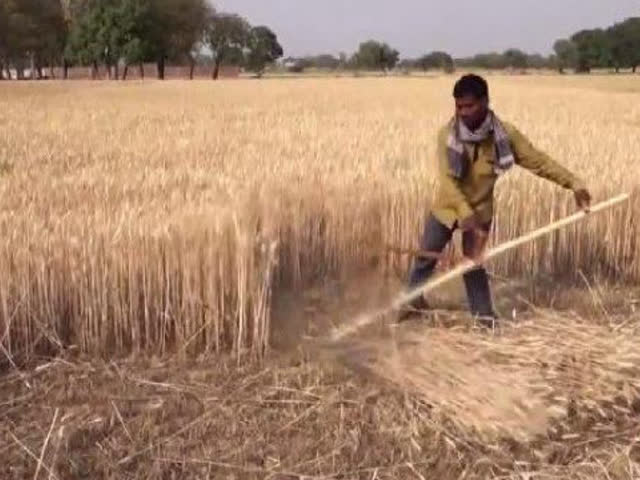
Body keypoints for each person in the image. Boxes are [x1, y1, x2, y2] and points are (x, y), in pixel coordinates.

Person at [398, 73, 592, 324]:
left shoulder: (504, 135)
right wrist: (463, 211)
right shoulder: (446, 135)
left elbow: (538, 162)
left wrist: (574, 183)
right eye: (459, 106)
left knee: (473, 266)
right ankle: (409, 306)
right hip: (446, 208)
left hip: (480, 213)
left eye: (470, 106)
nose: (463, 112)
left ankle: (484, 319)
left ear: (485, 102)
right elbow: (447, 180)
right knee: (425, 258)